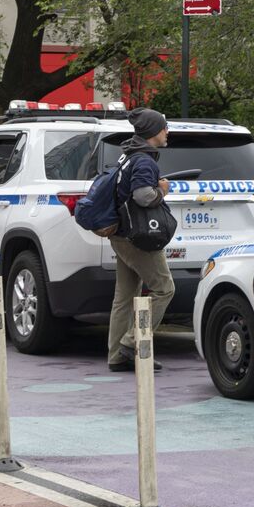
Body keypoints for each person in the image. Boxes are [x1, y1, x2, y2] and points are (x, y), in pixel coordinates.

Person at [107, 108, 174, 372]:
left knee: (124, 295)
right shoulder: (145, 160)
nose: (167, 131)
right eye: (164, 127)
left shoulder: (128, 155)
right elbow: (143, 196)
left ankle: (116, 355)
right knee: (165, 288)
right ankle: (131, 342)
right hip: (139, 236)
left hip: (121, 234)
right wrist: (162, 191)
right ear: (152, 131)